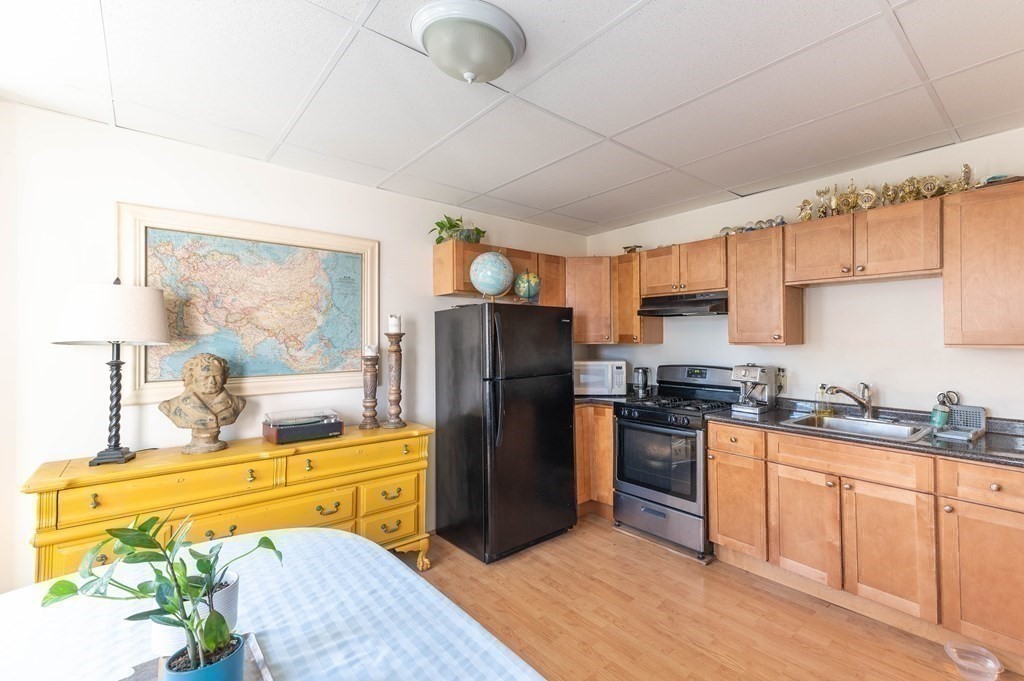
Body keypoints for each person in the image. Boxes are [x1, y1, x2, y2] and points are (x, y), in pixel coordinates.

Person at [159, 353, 246, 453]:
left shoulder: (238, 403)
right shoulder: (170, 406)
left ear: (224, 377)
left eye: (218, 376)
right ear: (191, 377)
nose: (212, 381)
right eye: (205, 376)